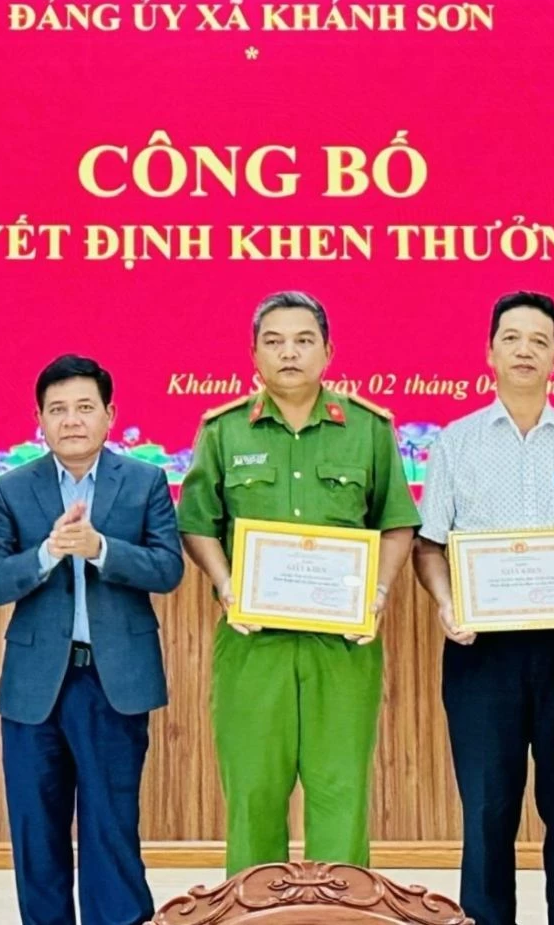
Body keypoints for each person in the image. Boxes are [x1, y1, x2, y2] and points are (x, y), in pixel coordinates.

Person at [413, 291, 554, 925]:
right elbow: (429, 547)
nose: (524, 350)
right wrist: (447, 603)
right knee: (487, 808)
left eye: (539, 341)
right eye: (511, 338)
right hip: (481, 649)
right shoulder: (455, 443)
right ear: (489, 352)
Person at [177, 291, 419, 877]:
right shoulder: (224, 431)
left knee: (340, 788)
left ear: (328, 352)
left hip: (343, 644)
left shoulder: (368, 429)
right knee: (253, 788)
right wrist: (227, 585)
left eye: (304, 340)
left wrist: (378, 594)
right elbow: (196, 524)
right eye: (275, 341)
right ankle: (253, 910)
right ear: (254, 353)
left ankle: (340, 911)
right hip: (253, 641)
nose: (289, 353)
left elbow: (396, 522)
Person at [0, 355, 184, 925]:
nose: (71, 420)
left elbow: (168, 569)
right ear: (39, 420)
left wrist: (101, 550)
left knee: (110, 824)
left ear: (110, 415)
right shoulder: (10, 489)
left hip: (114, 679)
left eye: (85, 407)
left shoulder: (144, 481)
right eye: (58, 409)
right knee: (35, 828)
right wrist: (48, 553)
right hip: (34, 687)